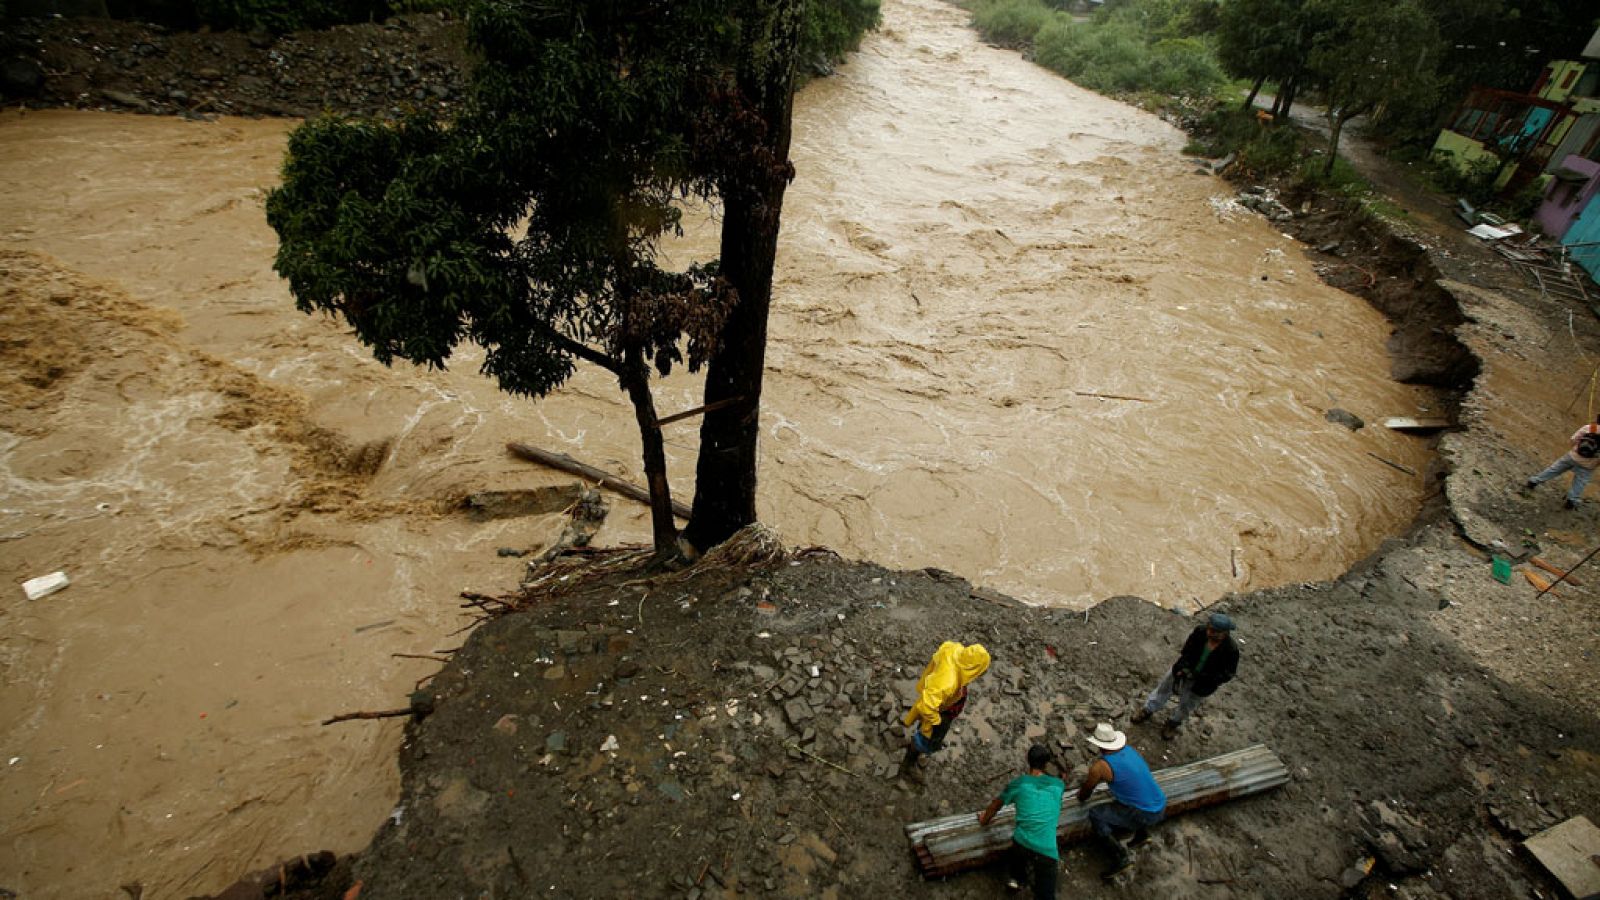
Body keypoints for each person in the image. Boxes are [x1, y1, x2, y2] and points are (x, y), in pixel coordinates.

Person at [1132, 611, 1239, 740]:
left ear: (1224, 633)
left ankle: (1173, 723)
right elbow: (1187, 650)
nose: (1210, 633)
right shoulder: (1200, 632)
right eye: (1209, 629)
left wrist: (1205, 678)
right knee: (1164, 689)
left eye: (1215, 632)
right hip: (1183, 669)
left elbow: (1227, 674)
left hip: (1202, 684)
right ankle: (1148, 709)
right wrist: (1183, 667)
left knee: (1187, 704)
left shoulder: (1231, 650)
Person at [1078, 722, 1166, 879]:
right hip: (1160, 804)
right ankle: (1142, 835)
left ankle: (1120, 857)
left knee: (1096, 814)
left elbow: (1086, 792)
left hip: (1144, 814)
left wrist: (1080, 796)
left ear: (1099, 745)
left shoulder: (1100, 766)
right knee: (1131, 796)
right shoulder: (1130, 751)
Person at [978, 745, 1063, 898]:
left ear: (1028, 760)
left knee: (1018, 851)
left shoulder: (1019, 783)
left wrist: (984, 820)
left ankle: (1017, 879)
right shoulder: (1058, 785)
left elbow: (995, 805)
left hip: (1022, 843)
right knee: (1046, 895)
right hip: (1047, 850)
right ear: (1046, 764)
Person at [899, 641, 991, 779]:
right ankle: (908, 763)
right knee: (926, 737)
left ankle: (915, 744)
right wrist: (936, 721)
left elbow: (943, 648)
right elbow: (927, 706)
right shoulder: (948, 682)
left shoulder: (955, 650)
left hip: (942, 702)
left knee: (924, 729)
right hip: (939, 712)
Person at [1524, 414, 1600, 509]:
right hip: (1589, 465)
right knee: (1580, 482)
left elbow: (1573, 440)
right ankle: (1571, 500)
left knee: (1554, 469)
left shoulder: (1589, 427)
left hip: (1573, 456)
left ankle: (1534, 481)